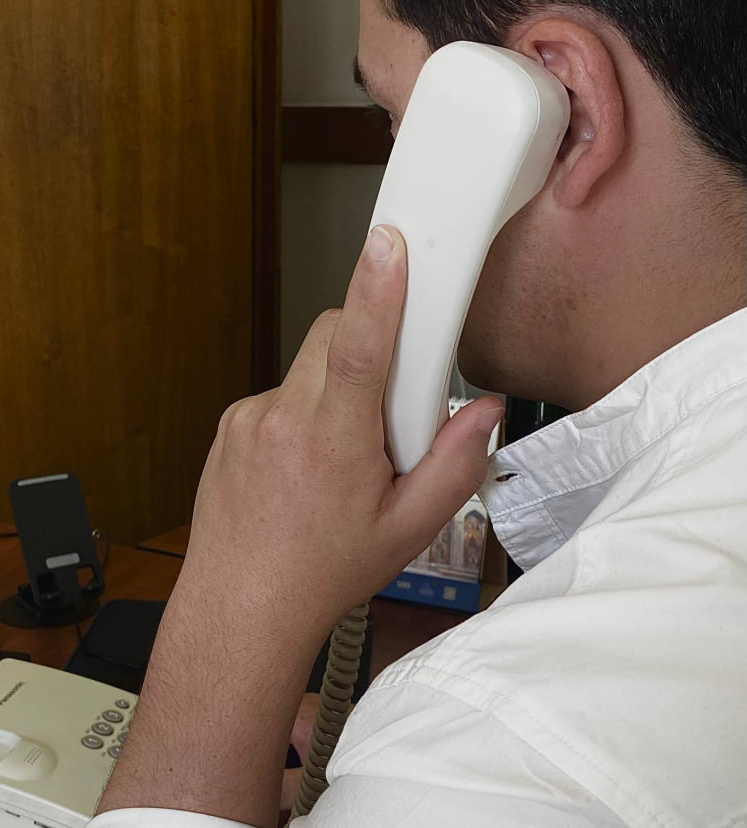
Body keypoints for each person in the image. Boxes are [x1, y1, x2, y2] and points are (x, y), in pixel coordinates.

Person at [91, 0, 747, 825]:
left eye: (394, 119)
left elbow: (489, 763)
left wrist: (236, 604)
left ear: (567, 112)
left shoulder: (501, 746)